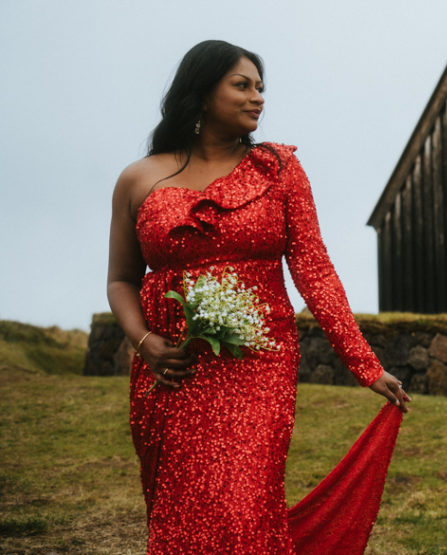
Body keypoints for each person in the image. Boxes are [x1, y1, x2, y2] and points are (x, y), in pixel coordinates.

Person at [107, 40, 410, 553]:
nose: (258, 98)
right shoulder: (139, 178)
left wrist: (366, 365)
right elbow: (121, 281)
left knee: (246, 500)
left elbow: (315, 272)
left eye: (261, 87)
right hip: (173, 370)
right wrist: (146, 344)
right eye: (242, 85)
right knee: (183, 509)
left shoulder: (278, 170)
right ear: (203, 94)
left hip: (259, 365)